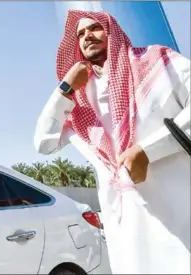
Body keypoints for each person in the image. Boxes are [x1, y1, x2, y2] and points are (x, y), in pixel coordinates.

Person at [34, 10, 190, 274]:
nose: (86, 36)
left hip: (180, 213)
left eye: (94, 28)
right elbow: (43, 142)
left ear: (112, 31)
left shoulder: (158, 61)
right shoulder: (79, 99)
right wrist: (66, 88)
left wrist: (148, 151)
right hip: (128, 230)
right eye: (80, 34)